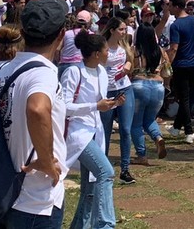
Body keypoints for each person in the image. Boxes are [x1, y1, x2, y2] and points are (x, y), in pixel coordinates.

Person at [0, 0, 69, 228]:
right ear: (61, 35)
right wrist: (48, 160)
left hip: (2, 187)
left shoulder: (5, 70)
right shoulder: (43, 73)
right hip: (34, 196)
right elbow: (37, 109)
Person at [63, 29, 121, 229]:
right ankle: (106, 225)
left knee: (90, 186)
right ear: (96, 53)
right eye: (106, 50)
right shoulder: (73, 72)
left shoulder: (101, 72)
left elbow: (98, 102)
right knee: (106, 172)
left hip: (95, 131)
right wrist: (96, 106)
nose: (109, 54)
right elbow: (63, 107)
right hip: (77, 134)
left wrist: (112, 104)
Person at [99, 16, 137, 184]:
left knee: (126, 129)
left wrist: (128, 66)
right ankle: (104, 168)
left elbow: (130, 61)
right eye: (121, 29)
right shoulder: (102, 46)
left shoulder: (124, 45)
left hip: (124, 88)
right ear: (112, 30)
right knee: (105, 131)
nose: (124, 32)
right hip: (107, 91)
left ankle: (125, 169)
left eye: (125, 29)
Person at [130, 22, 169, 165]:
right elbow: (168, 69)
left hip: (139, 86)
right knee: (150, 119)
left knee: (136, 123)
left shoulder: (134, 50)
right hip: (158, 86)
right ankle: (157, 137)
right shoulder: (160, 50)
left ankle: (142, 155)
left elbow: (128, 69)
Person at [165, 0, 194, 144]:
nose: (169, 8)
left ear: (177, 7)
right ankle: (176, 127)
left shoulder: (176, 25)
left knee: (184, 99)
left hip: (182, 65)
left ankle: (189, 131)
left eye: (170, 6)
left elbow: (174, 48)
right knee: (189, 98)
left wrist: (167, 65)